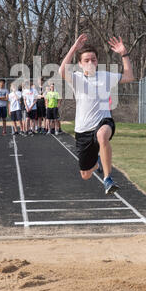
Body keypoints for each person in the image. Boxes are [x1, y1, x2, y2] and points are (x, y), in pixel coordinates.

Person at [59, 34, 134, 195]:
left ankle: (108, 179)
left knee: (102, 135)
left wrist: (124, 54)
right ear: (80, 64)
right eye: (86, 60)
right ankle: (96, 164)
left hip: (104, 122)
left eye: (93, 59)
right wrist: (74, 48)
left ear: (97, 61)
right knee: (85, 175)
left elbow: (129, 77)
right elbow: (61, 70)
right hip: (83, 129)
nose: (90, 62)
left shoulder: (105, 77)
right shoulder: (77, 78)